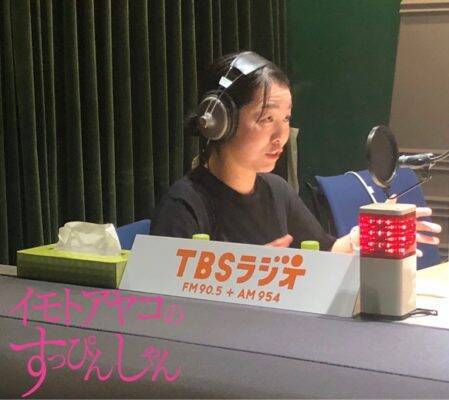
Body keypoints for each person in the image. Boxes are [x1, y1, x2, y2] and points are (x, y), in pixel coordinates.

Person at [151, 51, 441, 254]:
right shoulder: (184, 206)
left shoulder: (277, 191)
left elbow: (324, 252)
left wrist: (366, 237)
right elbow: (165, 306)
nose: (281, 136)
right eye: (267, 118)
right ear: (219, 121)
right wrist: (244, 276)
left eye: (286, 119)